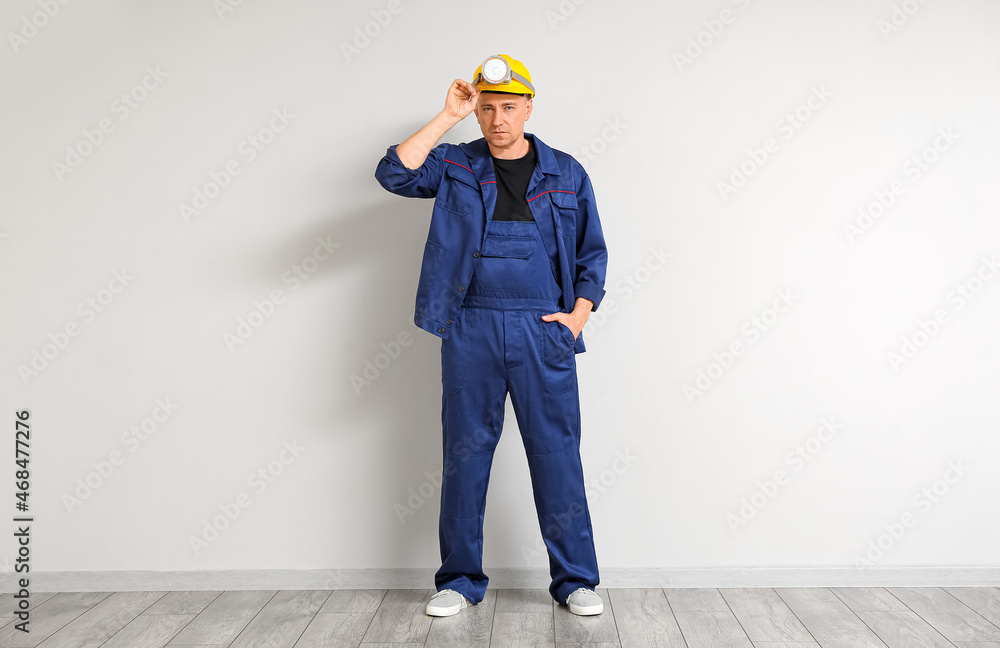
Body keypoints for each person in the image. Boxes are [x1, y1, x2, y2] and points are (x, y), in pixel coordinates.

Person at [373, 54, 609, 617]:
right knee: (465, 456)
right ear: (475, 111)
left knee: (556, 456)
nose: (497, 118)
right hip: (470, 326)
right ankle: (457, 580)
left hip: (541, 330)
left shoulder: (566, 172)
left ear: (528, 105)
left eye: (507, 107)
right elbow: (394, 173)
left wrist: (576, 317)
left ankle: (576, 580)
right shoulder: (455, 163)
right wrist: (447, 114)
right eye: (486, 108)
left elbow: (591, 255)